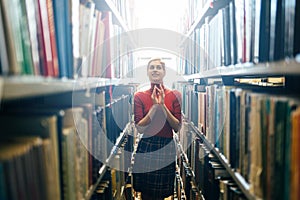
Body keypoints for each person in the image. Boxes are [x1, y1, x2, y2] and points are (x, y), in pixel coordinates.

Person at [132, 58, 182, 200]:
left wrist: (163, 106)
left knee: (161, 195)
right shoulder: (139, 96)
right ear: (147, 72)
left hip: (166, 145)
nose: (155, 70)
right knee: (146, 194)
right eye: (151, 67)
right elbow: (140, 128)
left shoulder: (175, 95)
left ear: (164, 72)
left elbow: (177, 127)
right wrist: (154, 107)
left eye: (159, 67)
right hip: (147, 145)